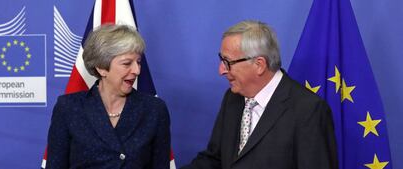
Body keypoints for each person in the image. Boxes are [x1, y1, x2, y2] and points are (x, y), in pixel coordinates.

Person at [181, 20, 338, 169]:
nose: (221, 70)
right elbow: (214, 160)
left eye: (228, 62)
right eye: (221, 60)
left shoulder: (308, 110)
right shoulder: (232, 98)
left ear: (259, 65)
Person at [46, 24, 171, 169]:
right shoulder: (69, 108)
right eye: (127, 63)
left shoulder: (154, 110)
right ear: (101, 67)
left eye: (138, 62)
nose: (137, 70)